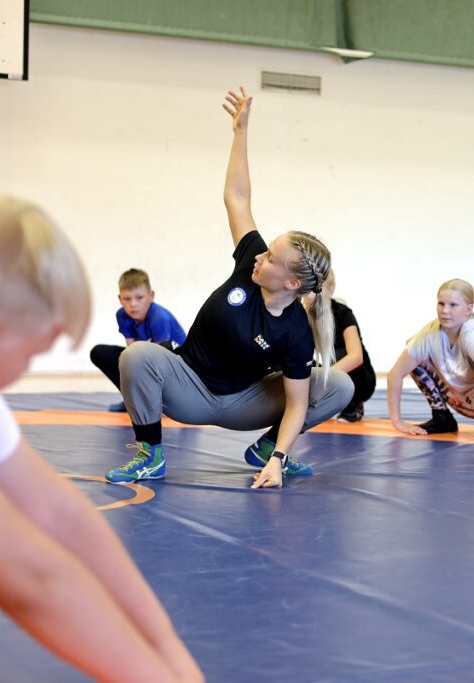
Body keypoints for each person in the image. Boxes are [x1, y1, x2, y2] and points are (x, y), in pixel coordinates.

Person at [0, 196, 202, 682]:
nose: (22, 373)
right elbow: (31, 581)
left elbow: (59, 514)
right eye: (31, 356)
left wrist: (167, 649)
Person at [105, 87, 353, 489]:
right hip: (190, 387)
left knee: (338, 384)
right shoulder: (248, 265)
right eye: (265, 251)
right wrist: (240, 131)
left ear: (291, 283)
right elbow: (237, 196)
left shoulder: (294, 332)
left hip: (244, 403)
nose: (260, 257)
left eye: (271, 258)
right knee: (137, 357)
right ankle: (150, 454)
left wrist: (278, 458)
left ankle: (264, 450)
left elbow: (295, 403)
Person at [386, 278, 474, 442]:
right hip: (457, 399)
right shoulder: (429, 333)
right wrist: (398, 422)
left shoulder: (473, 333)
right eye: (441, 304)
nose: (445, 311)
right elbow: (394, 375)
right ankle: (442, 417)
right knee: (412, 349)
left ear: (468, 309)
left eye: (453, 305)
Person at [89, 268, 187, 412]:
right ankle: (132, 400)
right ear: (120, 299)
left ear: (151, 296)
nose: (133, 304)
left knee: (160, 350)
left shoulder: (159, 317)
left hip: (177, 367)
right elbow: (131, 350)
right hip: (149, 359)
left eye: (139, 298)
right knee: (101, 352)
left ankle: (164, 401)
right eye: (127, 299)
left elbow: (159, 359)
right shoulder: (122, 315)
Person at [303, 270, 376, 423]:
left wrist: (322, 376)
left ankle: (352, 404)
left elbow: (356, 357)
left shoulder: (343, 313)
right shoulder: (300, 314)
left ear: (330, 290)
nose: (309, 293)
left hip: (361, 380)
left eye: (315, 288)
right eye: (307, 286)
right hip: (330, 375)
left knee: (338, 354)